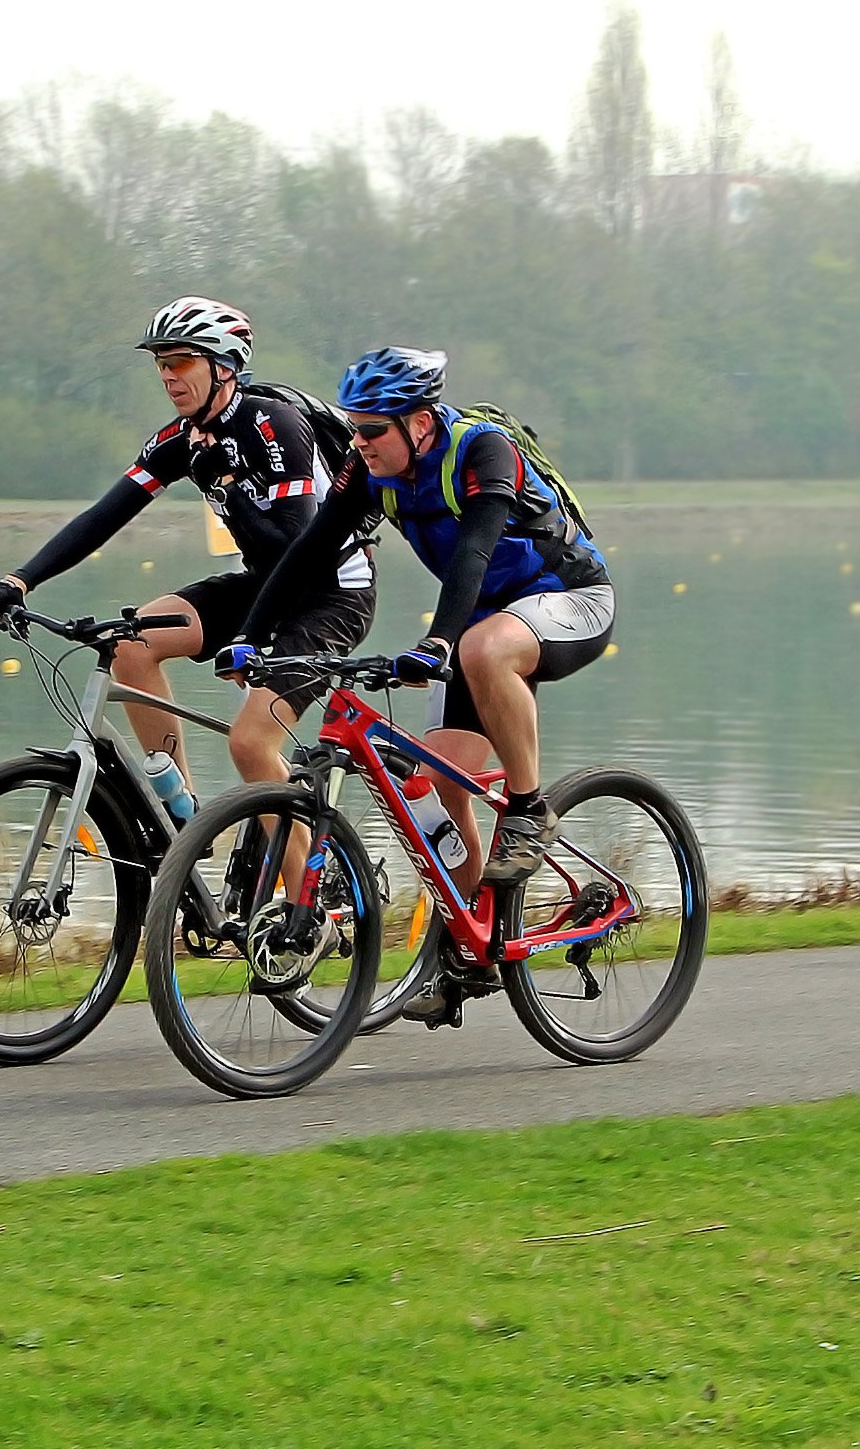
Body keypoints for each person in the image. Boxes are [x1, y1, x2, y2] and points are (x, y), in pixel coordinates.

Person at [227, 347, 613, 1022]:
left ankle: (527, 811)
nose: (360, 442)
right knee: (433, 788)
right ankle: (476, 946)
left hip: (571, 600)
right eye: (354, 427)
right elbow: (310, 549)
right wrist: (250, 634)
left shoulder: (483, 452)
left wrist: (435, 644)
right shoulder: (368, 468)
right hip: (484, 625)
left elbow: (474, 551)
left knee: (481, 647)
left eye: (373, 430)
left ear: (421, 424)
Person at [0, 296, 375, 799]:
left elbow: (292, 552)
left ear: (224, 365)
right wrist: (19, 581)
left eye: (181, 361)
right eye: (162, 364)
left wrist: (229, 490)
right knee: (131, 644)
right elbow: (104, 516)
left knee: (251, 745)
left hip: (331, 592)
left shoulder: (274, 424)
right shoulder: (182, 439)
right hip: (262, 584)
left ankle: (298, 879)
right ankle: (180, 813)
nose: (168, 376)